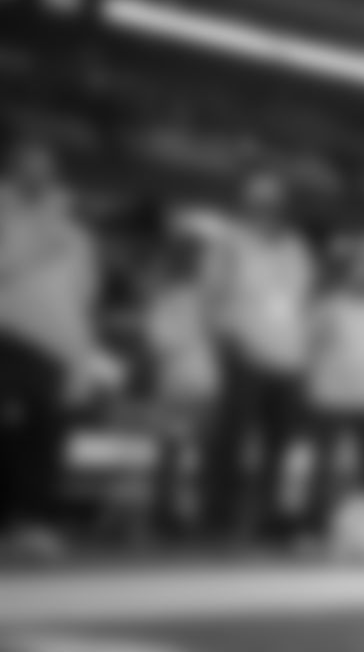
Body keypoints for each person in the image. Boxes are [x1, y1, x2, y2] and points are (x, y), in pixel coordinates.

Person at [0, 138, 114, 555]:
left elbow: (82, 298)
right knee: (8, 431)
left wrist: (81, 359)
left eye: (44, 167)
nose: (37, 175)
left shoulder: (74, 233)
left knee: (45, 437)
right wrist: (39, 236)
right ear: (12, 169)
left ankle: (32, 522)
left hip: (56, 348)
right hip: (8, 336)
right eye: (28, 165)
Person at [200, 172, 316, 545]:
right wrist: (225, 339)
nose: (267, 209)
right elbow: (211, 295)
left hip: (287, 357)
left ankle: (268, 515)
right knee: (231, 438)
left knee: (278, 443)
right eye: (259, 201)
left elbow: (302, 300)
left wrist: (303, 351)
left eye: (273, 202)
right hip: (244, 351)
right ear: (246, 205)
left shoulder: (296, 247)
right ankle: (219, 517)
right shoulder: (229, 243)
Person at [303, 234, 364, 542]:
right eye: (360, 269)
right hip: (331, 395)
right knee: (324, 465)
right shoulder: (328, 307)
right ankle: (316, 525)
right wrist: (312, 385)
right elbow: (310, 347)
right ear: (348, 273)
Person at [135, 229, 220, 539]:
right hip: (179, 380)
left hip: (203, 381)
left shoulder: (203, 295)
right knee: (173, 450)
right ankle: (166, 513)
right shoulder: (169, 296)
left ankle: (187, 513)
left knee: (196, 451)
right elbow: (158, 339)